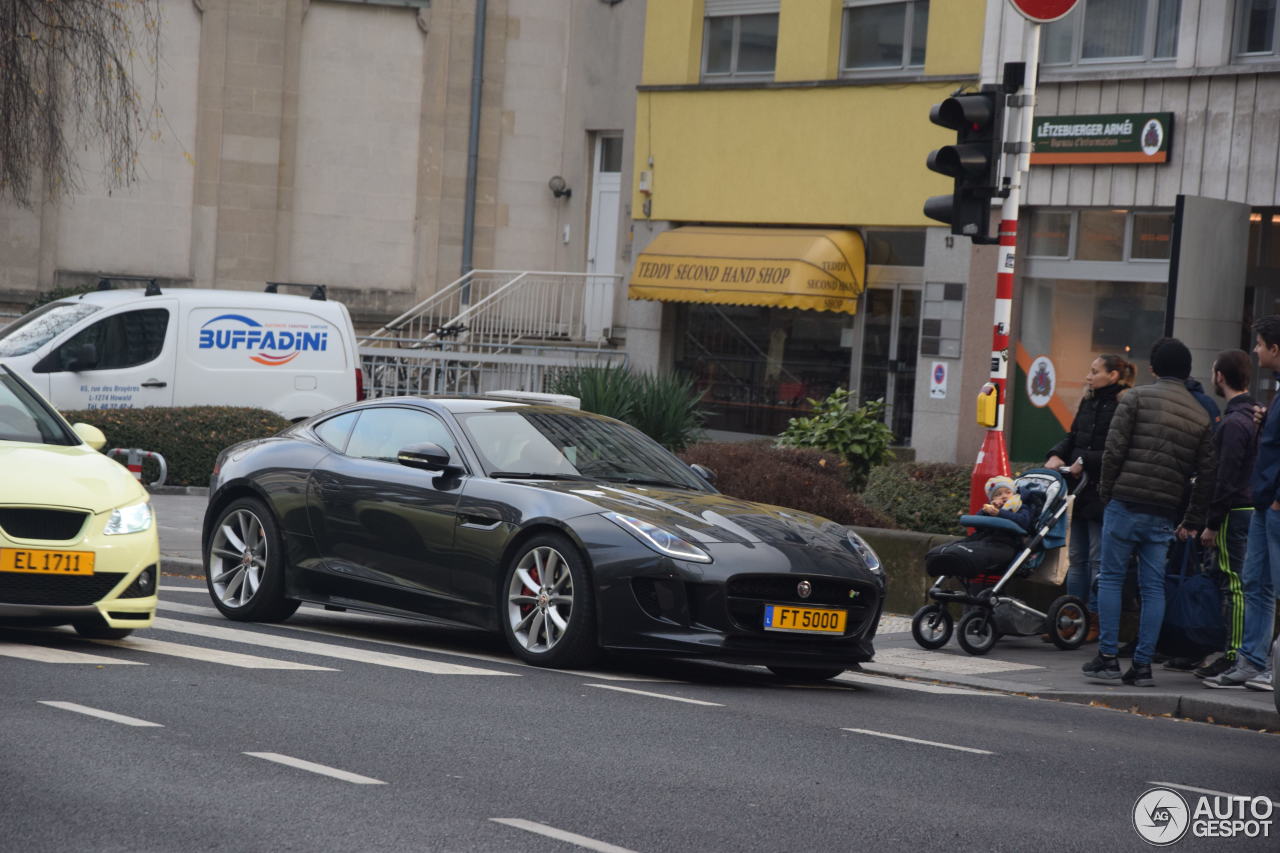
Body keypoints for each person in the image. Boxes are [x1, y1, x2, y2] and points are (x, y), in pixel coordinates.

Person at [1082, 337, 1216, 687]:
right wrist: (1192, 518)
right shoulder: (1200, 414)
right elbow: (1206, 474)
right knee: (1153, 587)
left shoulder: (1137, 398)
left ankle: (1107, 659)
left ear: (1154, 368)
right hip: (1164, 509)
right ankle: (1142, 666)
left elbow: (1114, 450)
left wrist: (1106, 492)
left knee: (1111, 578)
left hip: (1125, 502)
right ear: (1187, 371)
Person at [1204, 317, 1280, 691]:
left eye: (1261, 344)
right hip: (1263, 504)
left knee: (1270, 586)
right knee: (1255, 583)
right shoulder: (1276, 393)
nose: (1256, 351)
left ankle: (1267, 666)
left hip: (1273, 504)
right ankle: (1253, 662)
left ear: (1275, 349)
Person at [1046, 354, 1135, 643]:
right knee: (1076, 558)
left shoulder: (1123, 404)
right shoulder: (1089, 400)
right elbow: (1074, 435)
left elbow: (1118, 449)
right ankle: (1071, 616)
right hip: (1080, 490)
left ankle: (1094, 620)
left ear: (1112, 376)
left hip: (1101, 490)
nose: (1088, 376)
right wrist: (1056, 454)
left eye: (1094, 371)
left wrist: (1085, 460)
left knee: (1097, 559)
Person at [1185, 350, 1257, 679]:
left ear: (1219, 378)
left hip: (1235, 509)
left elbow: (1224, 478)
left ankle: (1234, 653)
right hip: (1251, 505)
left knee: (1234, 582)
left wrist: (1211, 523)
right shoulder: (1255, 416)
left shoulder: (1233, 423)